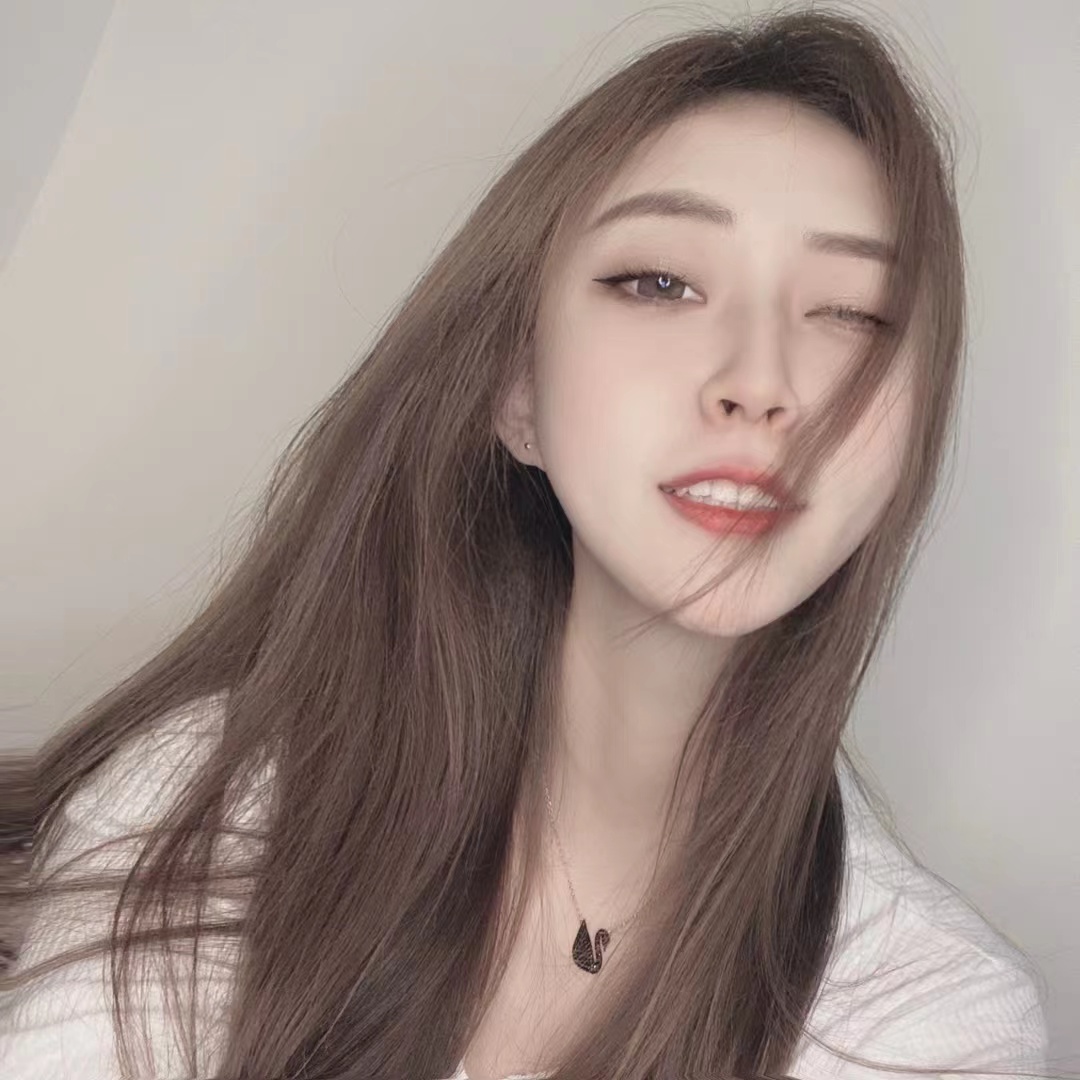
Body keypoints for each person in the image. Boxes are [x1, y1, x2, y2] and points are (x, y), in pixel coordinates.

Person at [0, 8, 1061, 1080]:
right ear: (517, 392)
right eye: (660, 283)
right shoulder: (199, 815)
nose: (758, 381)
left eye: (852, 314)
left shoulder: (930, 1020)